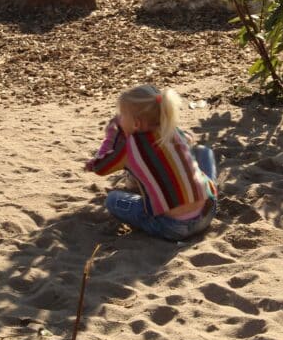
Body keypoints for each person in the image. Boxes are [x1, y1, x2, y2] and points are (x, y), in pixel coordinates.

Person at [85, 84, 218, 241]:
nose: (118, 119)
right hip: (207, 213)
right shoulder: (172, 130)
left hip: (172, 227)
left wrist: (111, 135)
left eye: (121, 115)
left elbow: (101, 168)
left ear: (136, 123)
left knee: (113, 199)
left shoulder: (128, 147)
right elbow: (188, 140)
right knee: (203, 151)